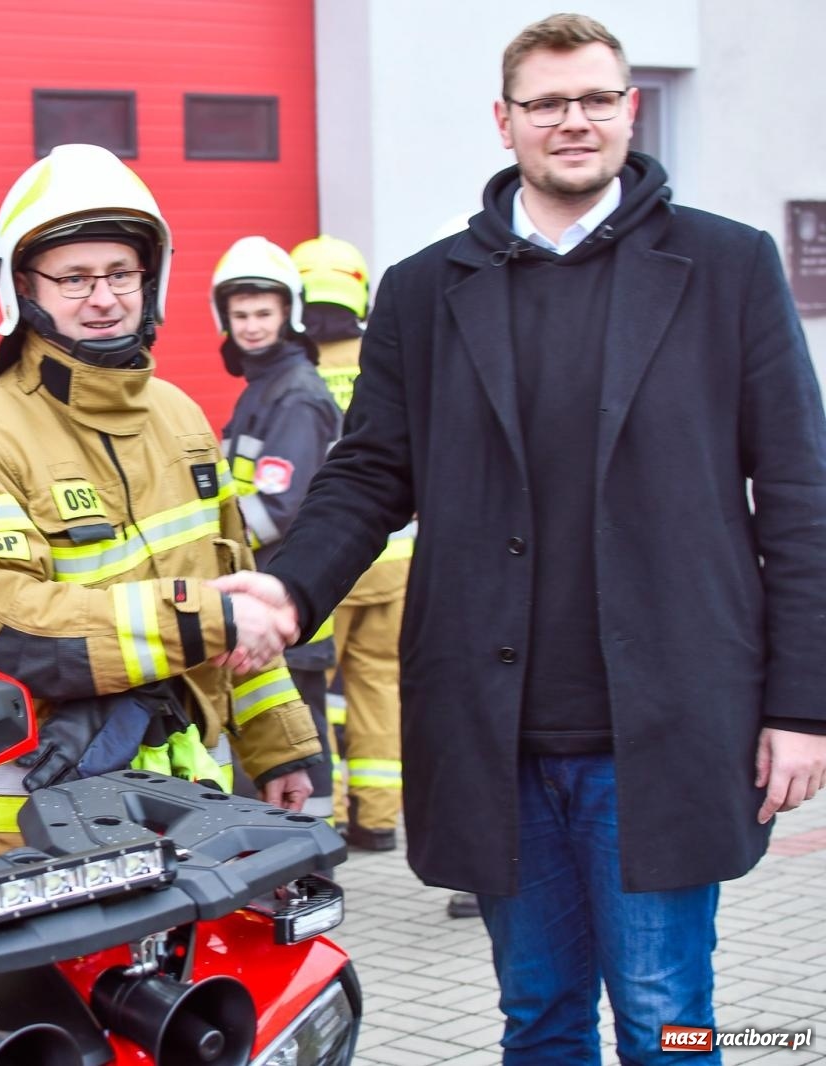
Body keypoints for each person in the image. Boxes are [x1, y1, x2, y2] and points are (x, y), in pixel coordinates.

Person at [215, 14, 826, 1064]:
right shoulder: (426, 289)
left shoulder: (724, 267)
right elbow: (369, 470)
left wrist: (802, 706)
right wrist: (288, 587)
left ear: (631, 108)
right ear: (504, 123)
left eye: (595, 98)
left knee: (664, 1016)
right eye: (546, 103)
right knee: (535, 1015)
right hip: (496, 728)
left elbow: (801, 491)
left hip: (667, 726)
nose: (573, 121)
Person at [0, 143, 323, 863]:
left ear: (152, 279)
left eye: (119, 273)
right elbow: (12, 629)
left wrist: (277, 748)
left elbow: (234, 587)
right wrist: (210, 618)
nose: (104, 297)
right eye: (74, 278)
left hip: (187, 811)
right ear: (25, 289)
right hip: (35, 827)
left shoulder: (183, 421)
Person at [214, 236, 342, 822]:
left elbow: (281, 506)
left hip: (284, 591)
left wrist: (209, 550)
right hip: (263, 588)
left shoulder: (295, 394)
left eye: (263, 313)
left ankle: (310, 852)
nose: (252, 326)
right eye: (240, 315)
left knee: (300, 727)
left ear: (288, 313)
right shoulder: (263, 387)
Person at [291, 234, 411, 858]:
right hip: (394, 561)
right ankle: (381, 819)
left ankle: (327, 813)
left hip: (325, 565)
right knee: (378, 685)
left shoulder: (295, 370)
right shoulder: (381, 357)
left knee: (314, 696)